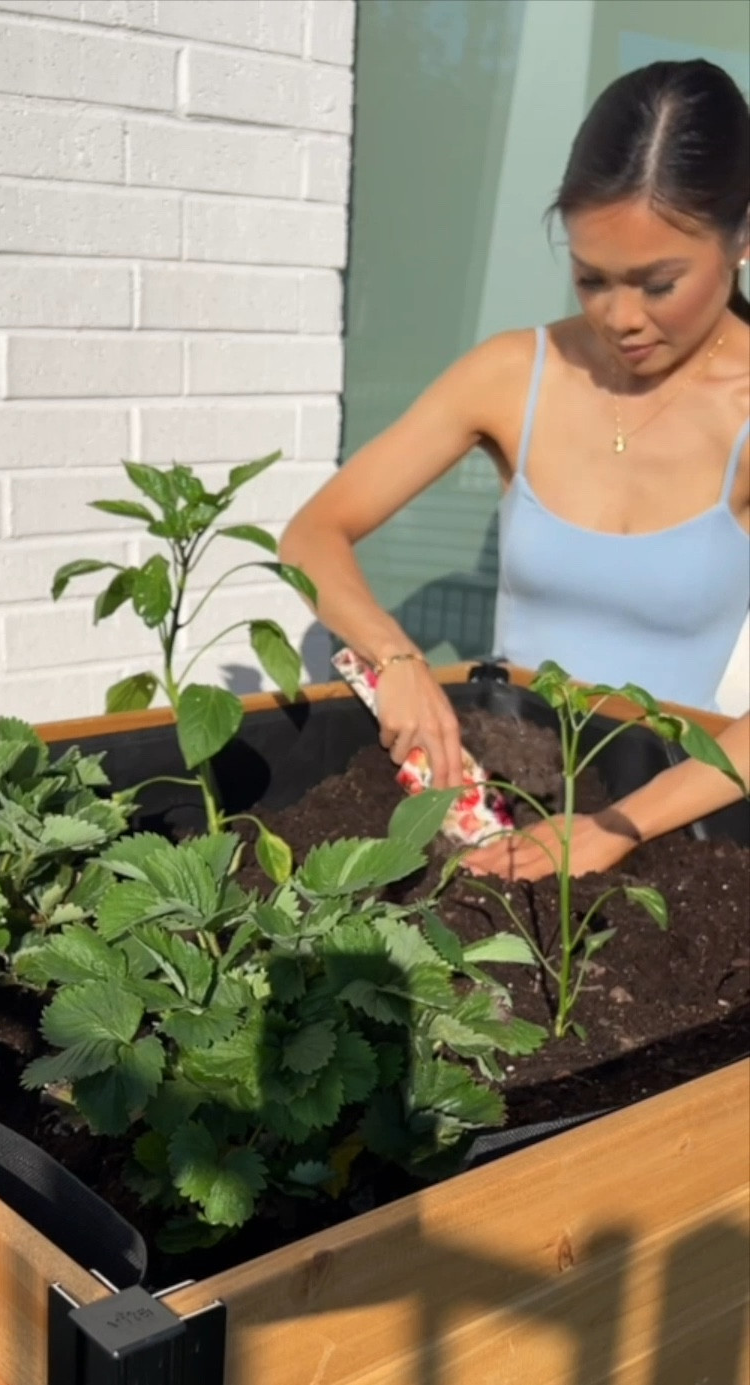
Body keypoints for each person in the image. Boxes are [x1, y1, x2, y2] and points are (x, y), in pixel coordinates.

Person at [279, 60, 749, 877]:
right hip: (506, 793)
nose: (621, 318)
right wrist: (398, 662)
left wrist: (611, 828)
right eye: (591, 277)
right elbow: (313, 533)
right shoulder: (511, 375)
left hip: (668, 827)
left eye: (659, 282)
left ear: (742, 239)